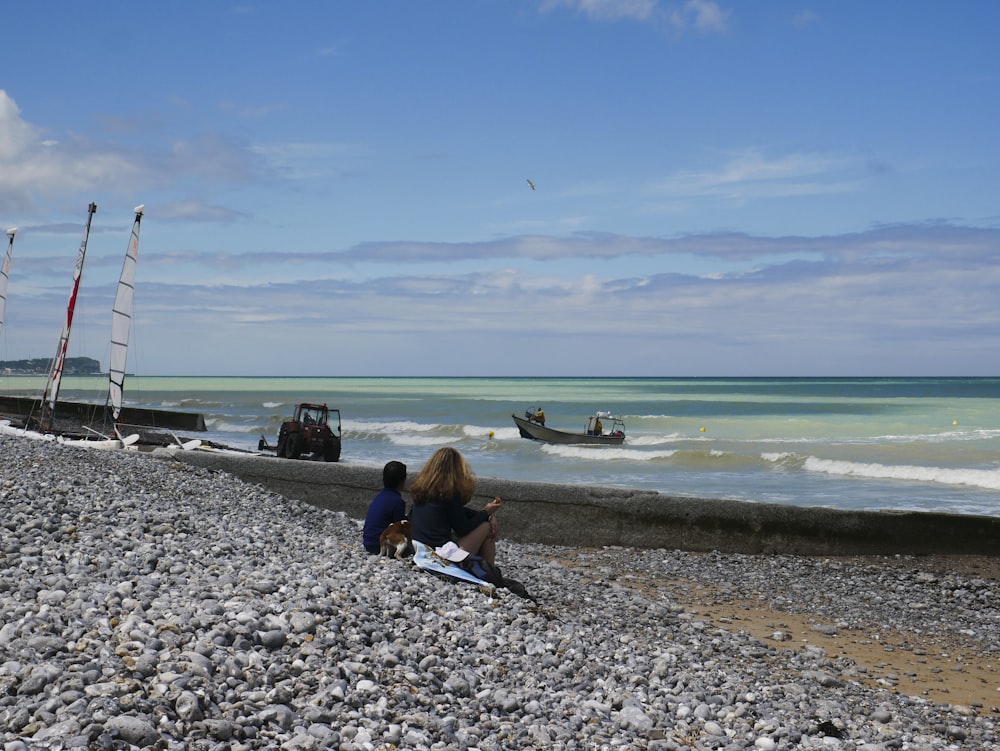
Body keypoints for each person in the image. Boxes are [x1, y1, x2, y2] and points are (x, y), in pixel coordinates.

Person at [409, 447, 501, 565]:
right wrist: (486, 513)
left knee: (485, 522)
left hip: (421, 549)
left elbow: (457, 512)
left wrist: (487, 514)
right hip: (441, 554)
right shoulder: (449, 493)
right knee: (486, 527)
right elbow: (463, 529)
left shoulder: (422, 490)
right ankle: (489, 569)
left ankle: (483, 566)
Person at [362, 461, 408, 554]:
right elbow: (399, 527)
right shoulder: (398, 502)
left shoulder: (378, 497)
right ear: (402, 482)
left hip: (368, 543)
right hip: (380, 545)